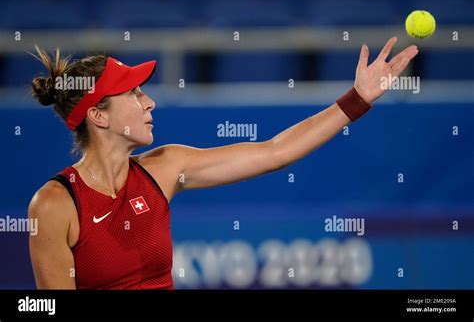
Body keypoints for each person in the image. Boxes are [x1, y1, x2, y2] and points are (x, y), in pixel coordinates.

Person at [28, 38, 418, 289]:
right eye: (134, 94)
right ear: (99, 116)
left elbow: (275, 152)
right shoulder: (54, 205)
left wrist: (358, 99)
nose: (150, 102)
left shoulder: (165, 167)